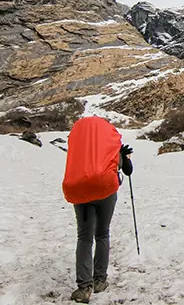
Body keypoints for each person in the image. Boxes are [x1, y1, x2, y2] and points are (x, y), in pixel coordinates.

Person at [62, 116, 134, 303]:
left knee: (84, 238)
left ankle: (84, 287)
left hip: (81, 192)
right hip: (106, 192)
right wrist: (124, 156)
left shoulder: (80, 146)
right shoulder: (111, 146)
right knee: (102, 234)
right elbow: (127, 171)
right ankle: (100, 280)